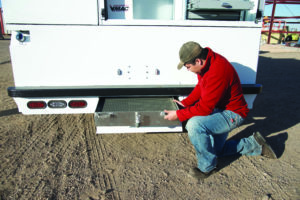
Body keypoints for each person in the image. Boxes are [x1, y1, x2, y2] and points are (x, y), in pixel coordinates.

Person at [164, 41, 277, 179]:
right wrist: (184, 104)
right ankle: (254, 144)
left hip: (233, 114)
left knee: (194, 125)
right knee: (216, 150)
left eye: (188, 67)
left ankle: (207, 167)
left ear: (198, 61)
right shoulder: (206, 64)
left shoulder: (217, 71)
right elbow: (201, 87)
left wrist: (179, 114)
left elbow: (205, 108)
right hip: (220, 109)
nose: (188, 69)